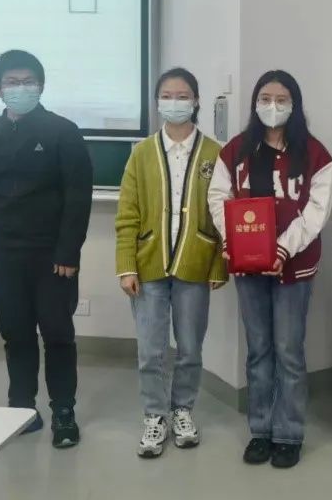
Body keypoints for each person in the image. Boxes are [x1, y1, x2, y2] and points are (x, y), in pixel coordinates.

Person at [0, 49, 92, 448]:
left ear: (41, 86)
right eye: (12, 83)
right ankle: (21, 409)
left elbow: (78, 198)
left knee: (58, 334)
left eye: (28, 82)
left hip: (52, 256)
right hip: (4, 254)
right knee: (15, 334)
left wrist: (68, 252)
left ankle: (64, 412)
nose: (21, 88)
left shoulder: (63, 132)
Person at [207, 70, 332, 469]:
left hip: (294, 269)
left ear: (294, 105)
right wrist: (234, 240)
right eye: (265, 98)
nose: (272, 106)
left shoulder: (315, 154)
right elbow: (218, 198)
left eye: (281, 99)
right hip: (248, 269)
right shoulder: (235, 151)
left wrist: (282, 247)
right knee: (259, 350)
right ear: (254, 103)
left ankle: (289, 434)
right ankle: (260, 430)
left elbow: (317, 212)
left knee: (289, 352)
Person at [115, 67, 227, 458]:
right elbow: (127, 213)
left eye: (182, 95)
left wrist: (219, 265)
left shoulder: (215, 153)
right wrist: (127, 265)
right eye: (167, 95)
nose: (174, 102)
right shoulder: (141, 152)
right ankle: (154, 415)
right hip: (148, 267)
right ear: (157, 101)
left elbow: (223, 214)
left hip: (195, 265)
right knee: (151, 350)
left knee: (190, 347)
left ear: (196, 101)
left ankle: (182, 410)